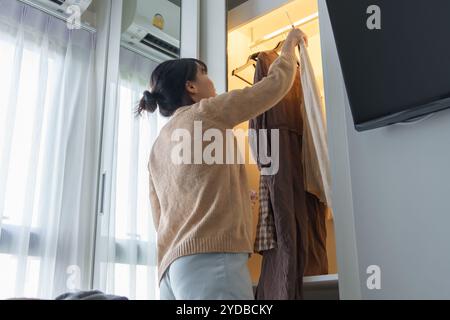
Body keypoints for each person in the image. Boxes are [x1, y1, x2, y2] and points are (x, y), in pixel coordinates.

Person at [138, 28, 307, 300]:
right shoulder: (207, 112)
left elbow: (164, 214)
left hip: (171, 271)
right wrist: (289, 46)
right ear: (190, 87)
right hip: (211, 261)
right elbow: (271, 87)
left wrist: (237, 198)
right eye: (203, 74)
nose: (210, 81)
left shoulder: (158, 146)